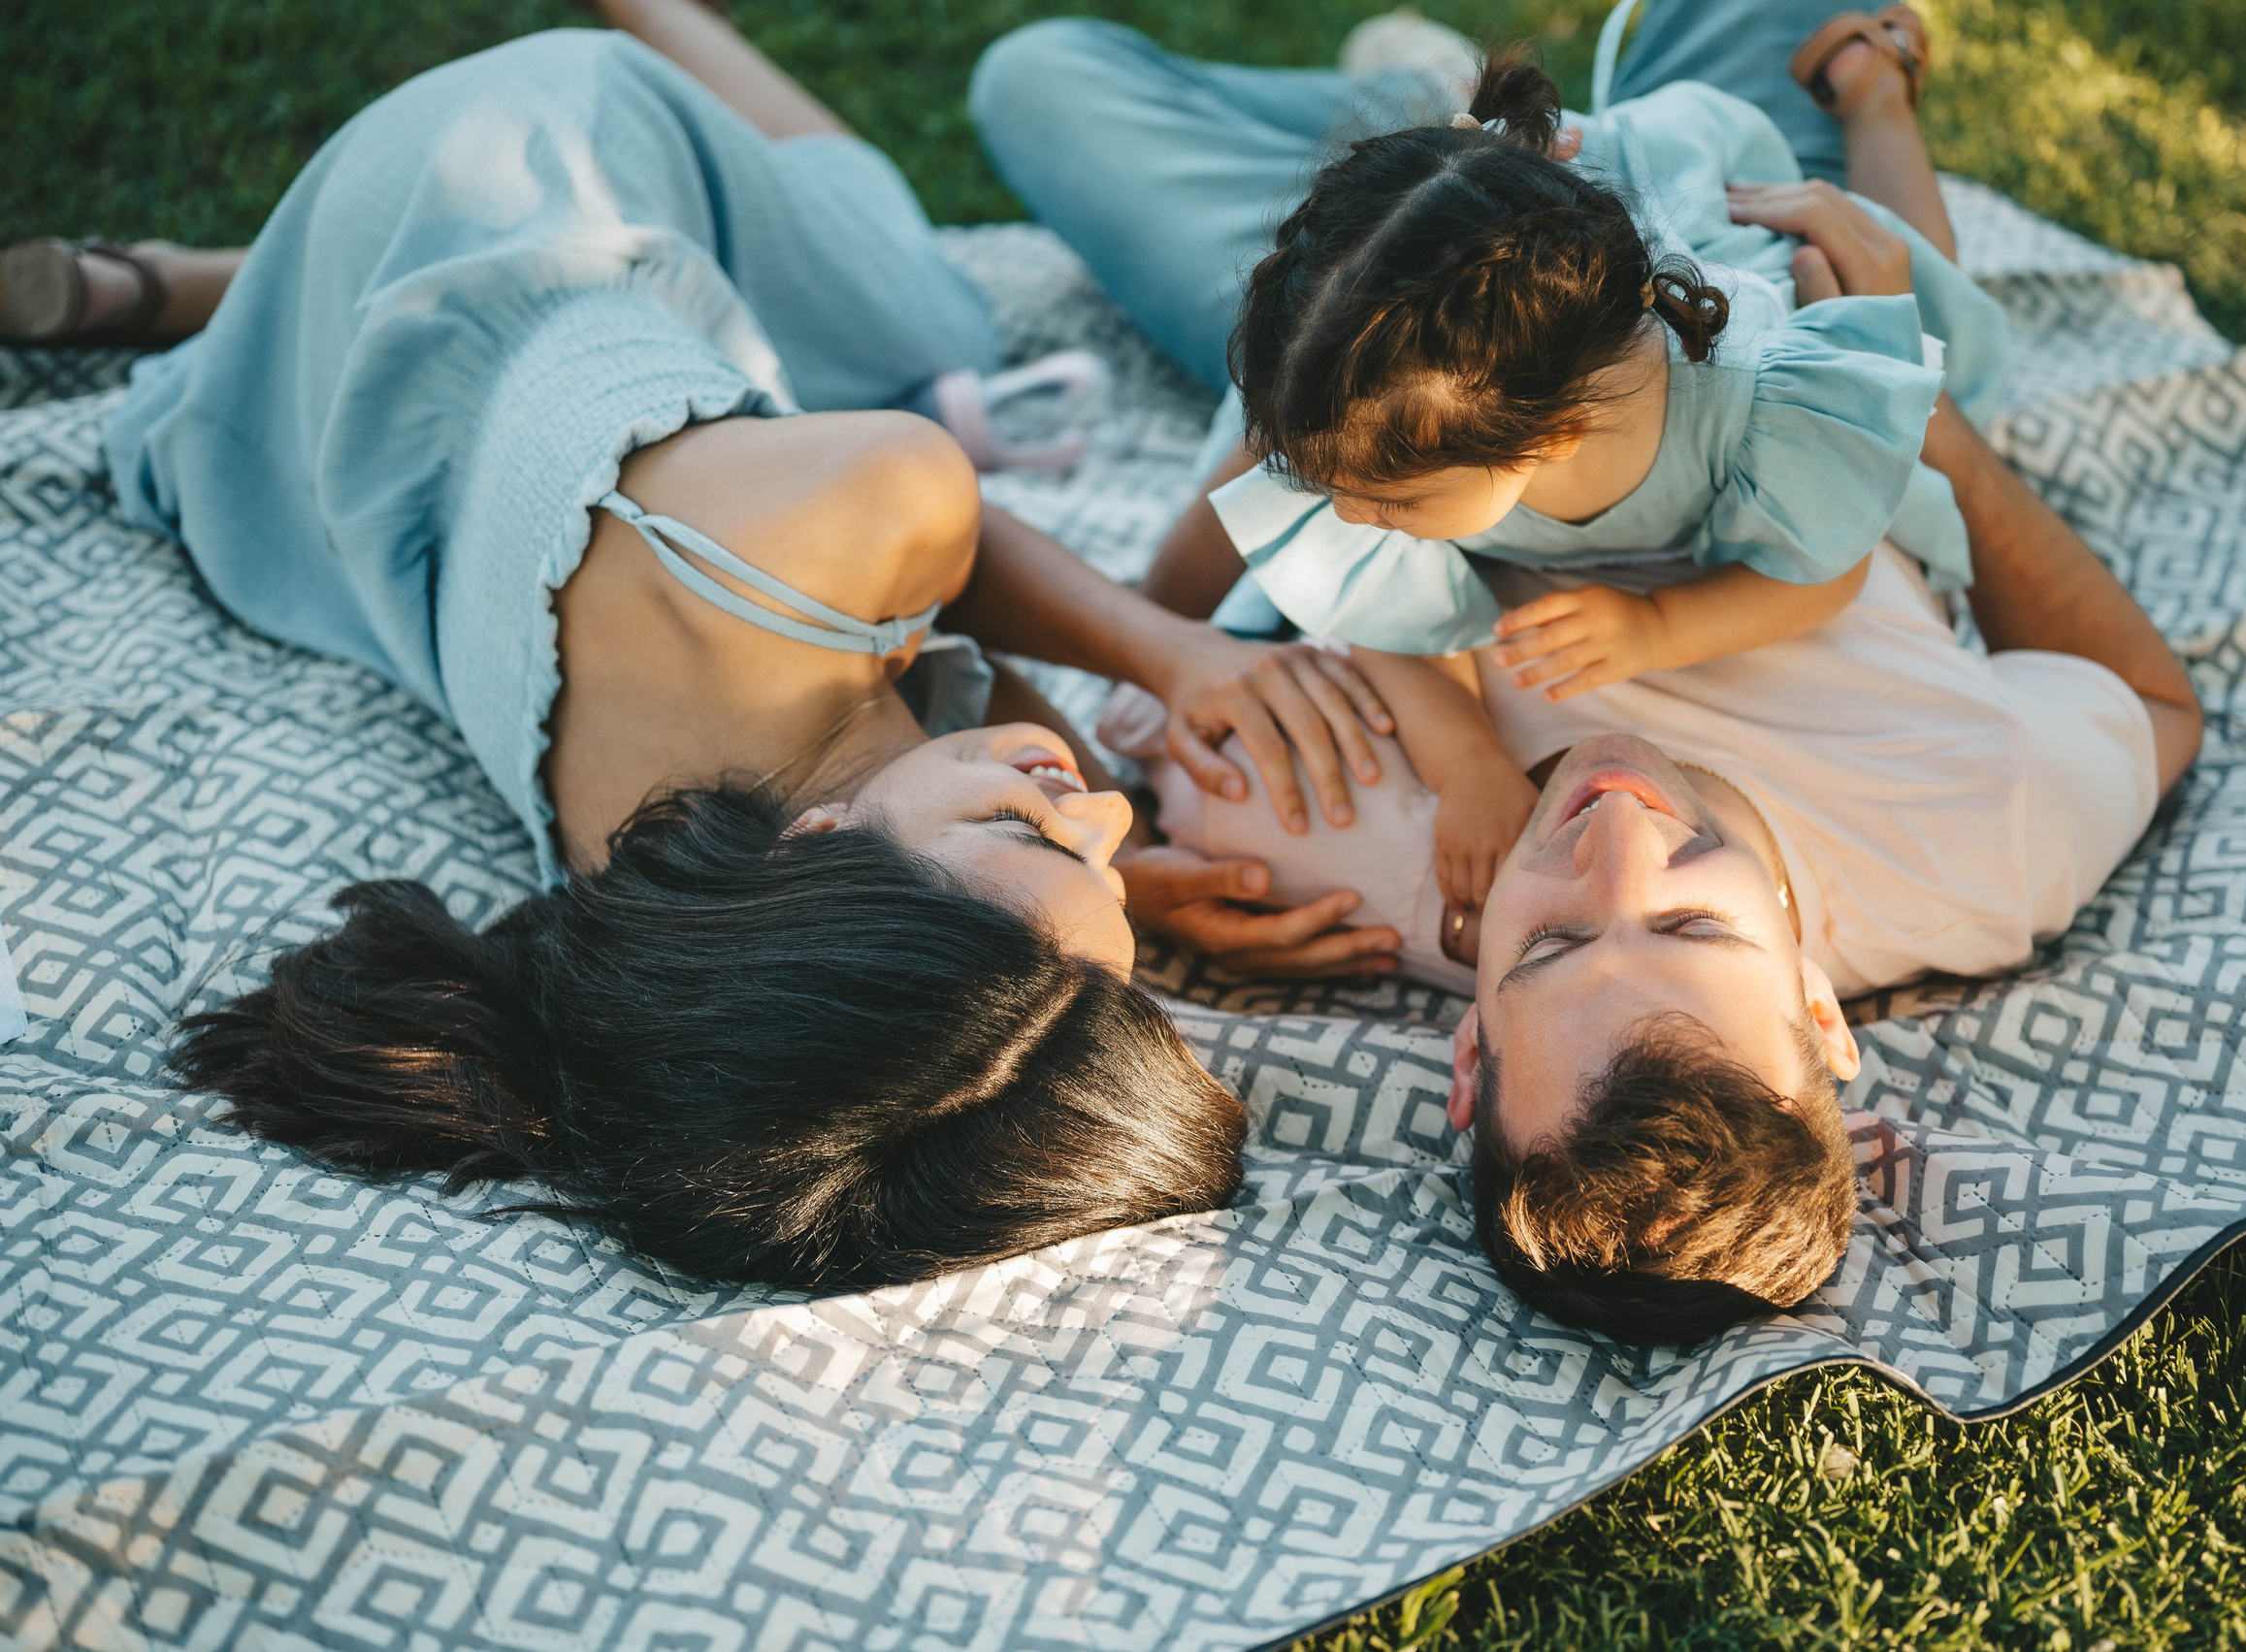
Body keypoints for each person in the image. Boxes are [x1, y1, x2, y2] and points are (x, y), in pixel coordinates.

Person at [3, 0, 1431, 1296]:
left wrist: (1174, 654)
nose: (1110, 802)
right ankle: (208, 292)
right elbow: (899, 966)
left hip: (519, 159)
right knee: (899, 310)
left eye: (1041, 822)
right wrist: (1081, 911)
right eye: (1104, 872)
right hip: (359, 405)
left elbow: (954, 540)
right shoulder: (655, 899)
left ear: (812, 851)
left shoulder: (864, 505)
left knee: (919, 295)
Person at [988, 5, 2204, 1343]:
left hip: (1403, 359)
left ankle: (1432, 121)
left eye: (1554, 939)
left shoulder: (1352, 857)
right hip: (1739, 240)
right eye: (1693, 924)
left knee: (1037, 75)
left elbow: (1159, 673)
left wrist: (1126, 880)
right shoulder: (1984, 836)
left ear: (1467, 1052)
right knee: (1810, 44)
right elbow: (2155, 706)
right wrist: (1922, 413)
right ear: (1817, 1014)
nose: (1614, 832)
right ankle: (1833, 98)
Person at [972, 7, 2009, 915]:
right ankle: (1421, 82)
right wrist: (1457, 753)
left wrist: (1660, 626)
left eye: (1387, 499)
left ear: (1551, 438)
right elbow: (1370, 598)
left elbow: (1818, 573)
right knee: (1032, 75)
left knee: (1925, 323)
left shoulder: (1770, 413)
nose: (1347, 513)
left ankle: (1873, 97)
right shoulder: (1378, 412)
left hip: (1740, 215)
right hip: (1511, 234)